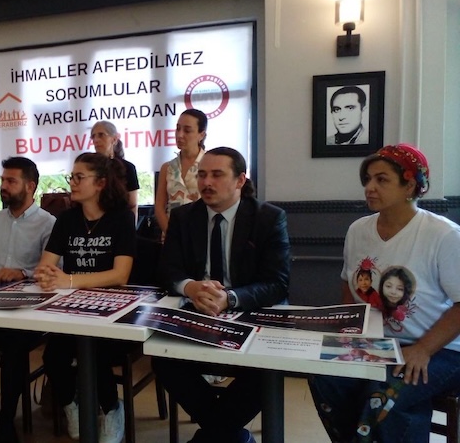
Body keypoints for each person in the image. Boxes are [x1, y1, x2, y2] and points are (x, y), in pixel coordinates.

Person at [309, 144, 460, 442]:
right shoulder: (358, 230)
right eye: (367, 179)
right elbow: (348, 285)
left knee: (385, 394)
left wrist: (423, 349)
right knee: (325, 377)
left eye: (381, 179)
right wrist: (351, 335)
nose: (370, 187)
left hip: (441, 349)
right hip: (378, 344)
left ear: (410, 186)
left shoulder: (444, 235)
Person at [151, 147, 291, 443]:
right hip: (198, 309)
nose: (206, 183)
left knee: (267, 368)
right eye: (202, 175)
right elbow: (167, 270)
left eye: (217, 175)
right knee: (162, 358)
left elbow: (277, 283)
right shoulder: (184, 217)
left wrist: (230, 297)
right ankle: (230, 435)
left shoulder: (268, 218)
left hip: (249, 310)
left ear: (240, 180)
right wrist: (191, 287)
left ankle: (213, 436)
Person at [35, 152, 136, 443]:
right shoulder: (67, 219)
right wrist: (46, 275)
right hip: (71, 309)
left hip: (113, 310)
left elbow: (120, 275)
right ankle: (72, 405)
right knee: (53, 357)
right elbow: (46, 264)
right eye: (72, 177)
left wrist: (68, 280)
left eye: (80, 177)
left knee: (95, 351)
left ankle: (111, 408)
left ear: (101, 183)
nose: (73, 183)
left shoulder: (121, 219)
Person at [0, 156, 56, 443]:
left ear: (30, 186)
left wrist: (22, 273)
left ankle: (6, 418)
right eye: (3, 180)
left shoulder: (48, 223)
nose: (3, 186)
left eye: (10, 181)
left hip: (29, 308)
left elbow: (52, 272)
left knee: (14, 343)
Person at [154, 108, 207, 240]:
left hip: (203, 235)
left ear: (201, 135)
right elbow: (159, 207)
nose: (180, 135)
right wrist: (172, 234)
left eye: (187, 130)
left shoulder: (209, 165)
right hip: (172, 236)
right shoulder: (168, 168)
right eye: (178, 129)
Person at [90, 120, 140, 222]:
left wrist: (131, 228)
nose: (96, 140)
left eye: (101, 135)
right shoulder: (89, 167)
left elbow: (132, 205)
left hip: (119, 223)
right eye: (93, 136)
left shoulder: (128, 168)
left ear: (114, 139)